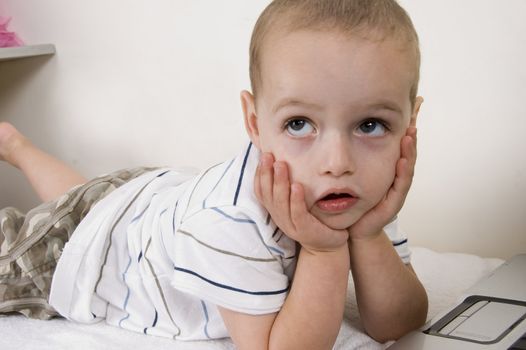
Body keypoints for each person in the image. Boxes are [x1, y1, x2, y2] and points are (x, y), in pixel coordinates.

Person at [0, 0, 428, 348]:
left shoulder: (354, 192)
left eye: (371, 125)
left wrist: (370, 236)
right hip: (100, 246)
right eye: (299, 124)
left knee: (87, 204)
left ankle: (14, 145)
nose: (337, 161)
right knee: (60, 226)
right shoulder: (232, 220)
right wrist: (325, 252)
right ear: (255, 123)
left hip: (137, 205)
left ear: (409, 124)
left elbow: (398, 323)